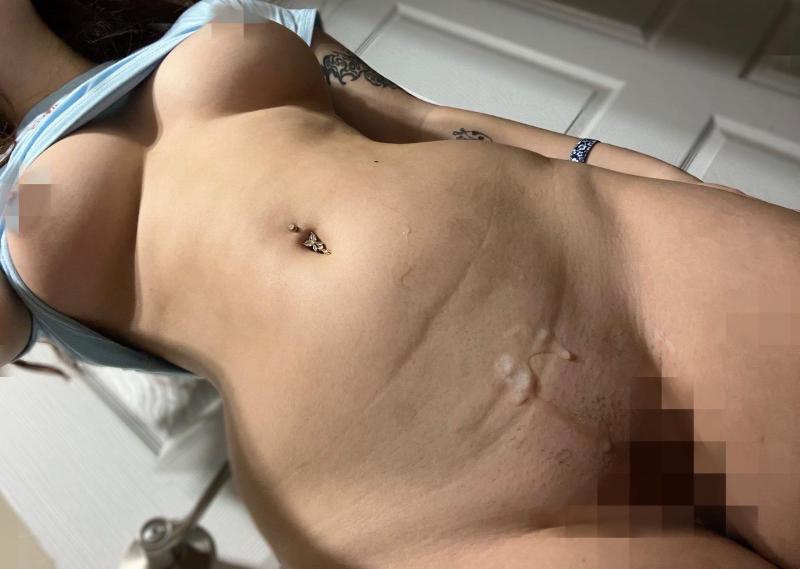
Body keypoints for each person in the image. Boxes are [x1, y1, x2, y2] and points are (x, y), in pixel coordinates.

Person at [1, 1, 798, 568]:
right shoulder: (7, 220)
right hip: (409, 503)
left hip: (610, 259)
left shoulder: (210, 20)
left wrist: (646, 175)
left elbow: (424, 118)